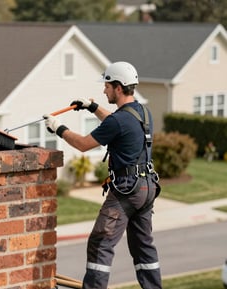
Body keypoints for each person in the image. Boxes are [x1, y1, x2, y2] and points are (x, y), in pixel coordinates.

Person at [44, 61, 162, 289]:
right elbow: (117, 122)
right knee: (143, 246)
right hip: (147, 188)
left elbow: (83, 144)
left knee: (100, 242)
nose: (104, 90)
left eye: (107, 85)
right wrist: (92, 107)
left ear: (118, 87)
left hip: (128, 191)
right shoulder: (142, 112)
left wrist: (58, 127)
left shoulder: (119, 120)